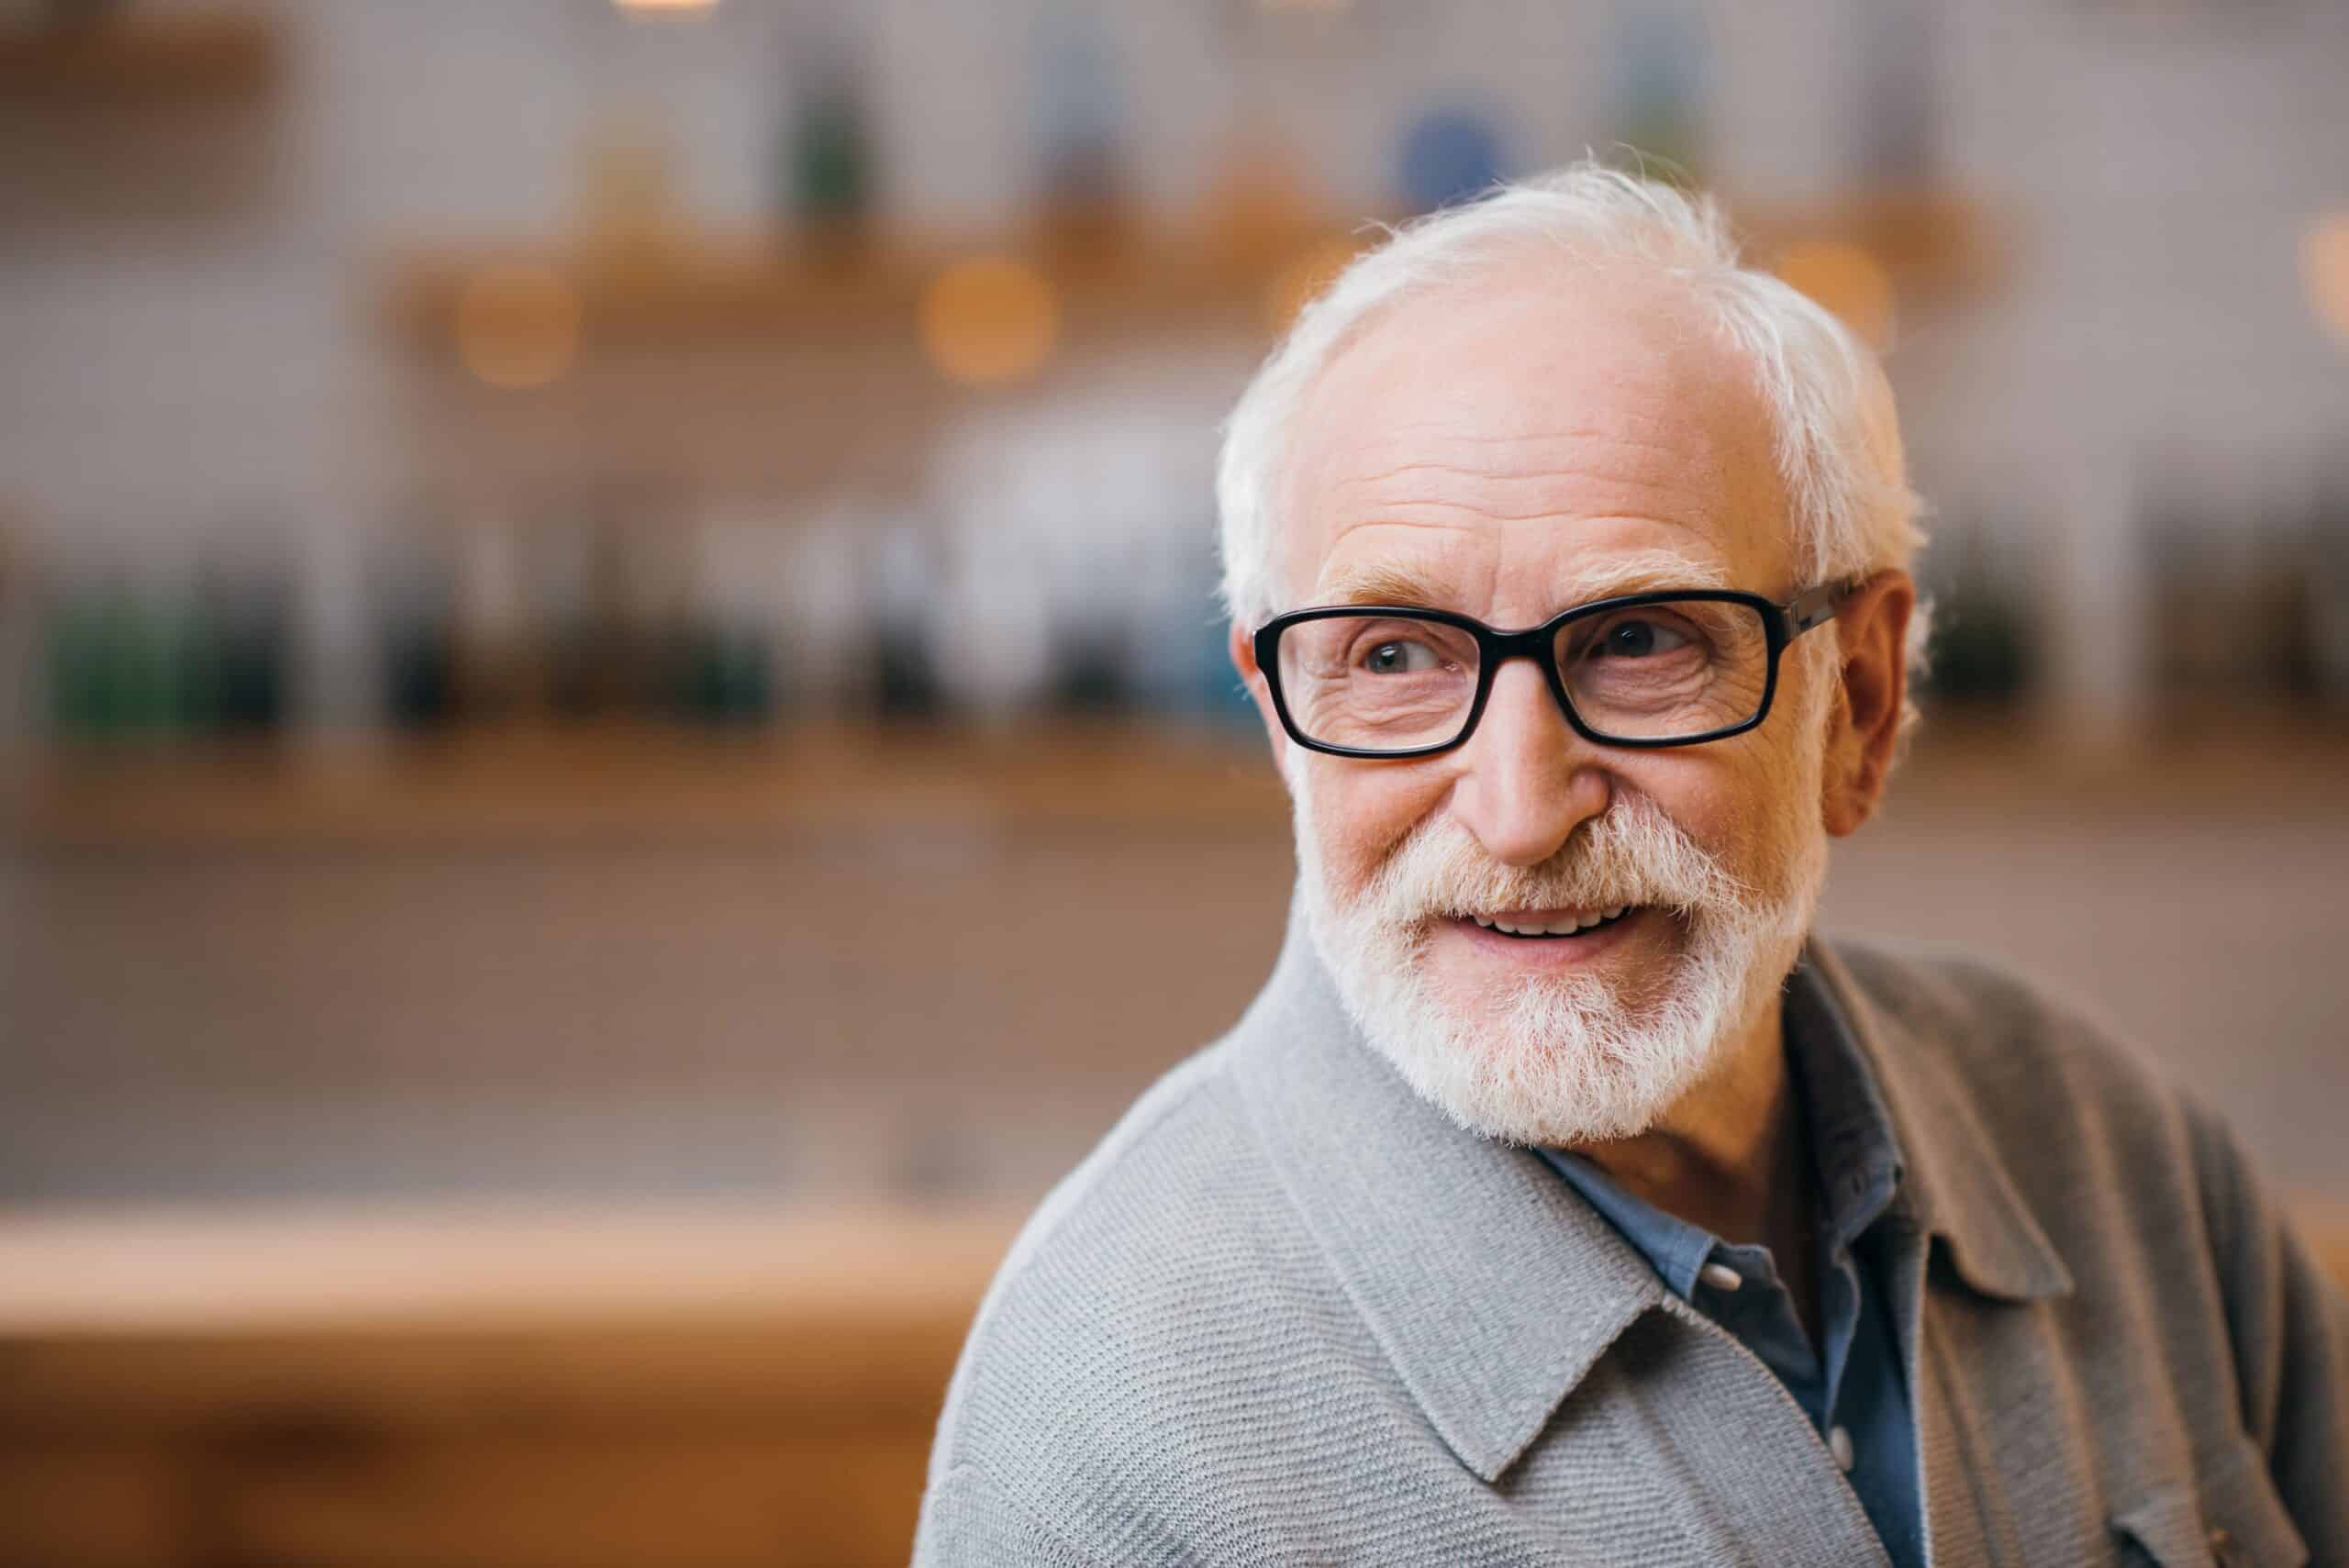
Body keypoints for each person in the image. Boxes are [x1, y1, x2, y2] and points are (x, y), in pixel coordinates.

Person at [913, 164, 2346, 1567]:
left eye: (1641, 640)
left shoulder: (2120, 1155)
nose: (1523, 809)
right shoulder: (1112, 1432)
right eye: (1397, 657)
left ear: (1855, 699)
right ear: (1285, 729)